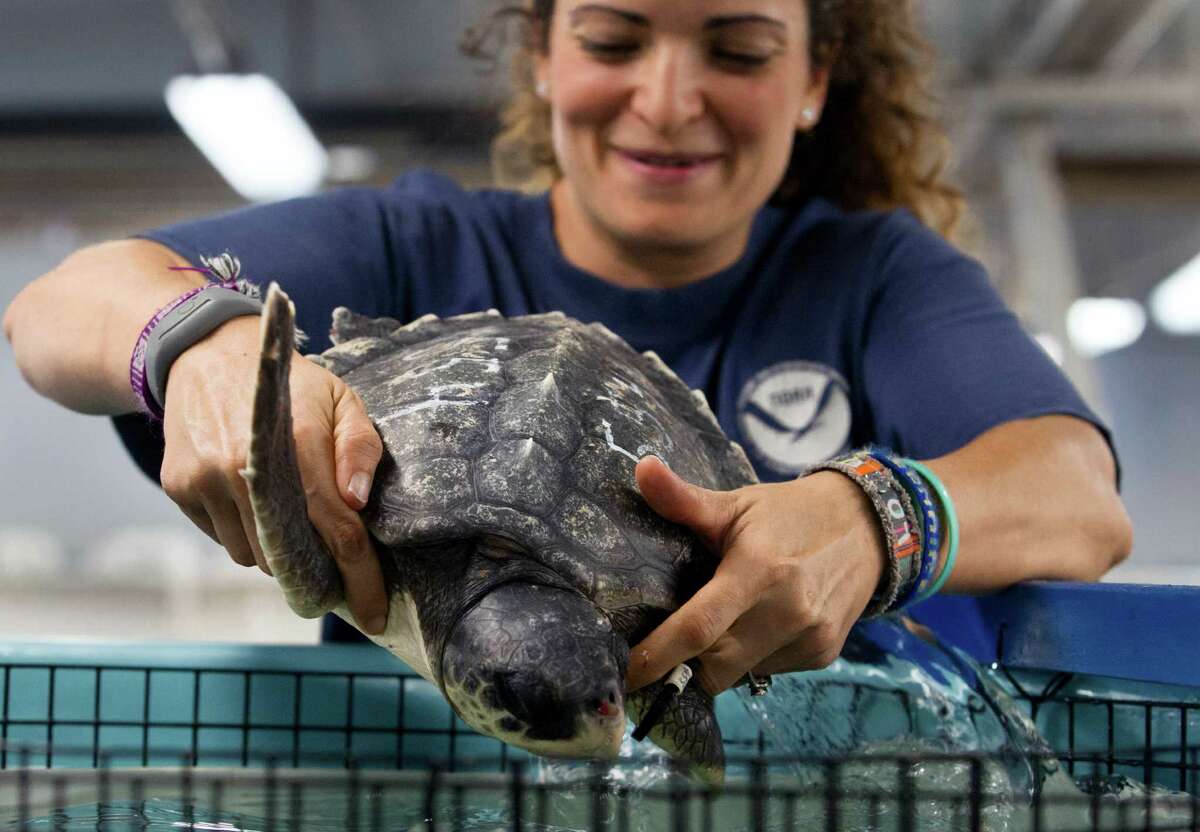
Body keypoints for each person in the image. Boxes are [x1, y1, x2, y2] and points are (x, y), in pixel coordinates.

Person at [4, 0, 1131, 700]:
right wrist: (198, 346)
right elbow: (58, 307)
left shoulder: (874, 276)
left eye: (736, 49)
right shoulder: (412, 247)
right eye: (612, 39)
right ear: (543, 52)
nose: (668, 99)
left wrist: (873, 518)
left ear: (815, 80)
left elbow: (1078, 494)